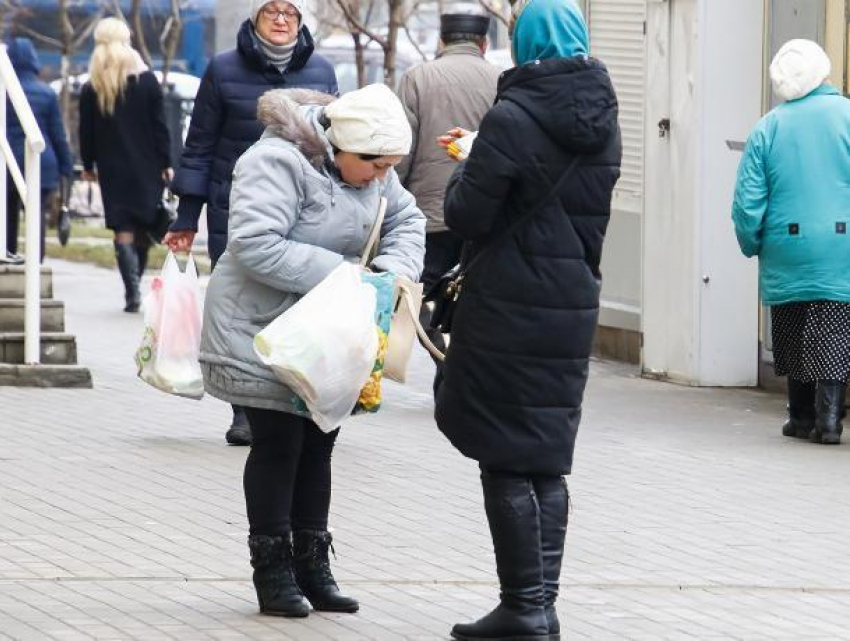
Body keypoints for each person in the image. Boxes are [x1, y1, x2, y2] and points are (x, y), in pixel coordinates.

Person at [199, 84, 424, 618]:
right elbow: (254, 242)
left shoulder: (376, 168)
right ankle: (273, 572)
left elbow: (408, 222)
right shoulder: (275, 160)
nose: (381, 177)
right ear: (343, 148)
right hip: (262, 327)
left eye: (391, 167)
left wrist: (389, 274)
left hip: (330, 332)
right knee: (279, 445)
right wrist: (349, 277)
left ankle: (312, 567)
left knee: (319, 444)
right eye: (375, 166)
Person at [434, 1, 622, 639]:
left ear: (525, 44)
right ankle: (540, 603)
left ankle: (524, 606)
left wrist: (473, 159)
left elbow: (467, 216)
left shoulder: (512, 116)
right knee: (544, 456)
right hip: (570, 307)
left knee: (505, 458)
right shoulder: (605, 120)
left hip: (509, 306)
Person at [165, 0, 338, 447]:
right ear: (256, 18)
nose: (281, 20)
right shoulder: (223, 69)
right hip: (237, 210)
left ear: (300, 22)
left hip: (307, 213)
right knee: (245, 308)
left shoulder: (321, 71)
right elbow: (200, 144)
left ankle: (297, 397)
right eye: (272, 11)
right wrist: (187, 217)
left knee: (298, 308)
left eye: (290, 13)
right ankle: (246, 409)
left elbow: (338, 146)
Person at [733, 39, 850, 446]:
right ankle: (831, 419)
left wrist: (751, 242)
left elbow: (748, 203)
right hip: (841, 248)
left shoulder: (768, 126)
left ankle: (800, 416)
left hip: (786, 246)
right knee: (834, 327)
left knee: (794, 327)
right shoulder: (848, 116)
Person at [396, 3, 500, 296]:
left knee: (421, 301)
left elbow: (401, 153)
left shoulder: (416, 78)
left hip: (427, 214)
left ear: (441, 41)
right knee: (473, 299)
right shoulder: (502, 80)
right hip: (482, 215)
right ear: (485, 43)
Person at [78, 17, 172, 313]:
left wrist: (89, 163)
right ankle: (135, 287)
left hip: (111, 167)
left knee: (124, 227)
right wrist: (166, 162)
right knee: (144, 226)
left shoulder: (92, 85)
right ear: (127, 39)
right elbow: (160, 126)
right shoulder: (146, 80)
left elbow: (86, 130)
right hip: (146, 164)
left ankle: (131, 292)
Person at [5, 38, 73, 263]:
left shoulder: (4, 93)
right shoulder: (47, 93)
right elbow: (57, 135)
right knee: (36, 214)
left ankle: (8, 254)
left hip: (8, 162)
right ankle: (36, 262)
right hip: (41, 162)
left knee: (7, 213)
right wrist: (66, 166)